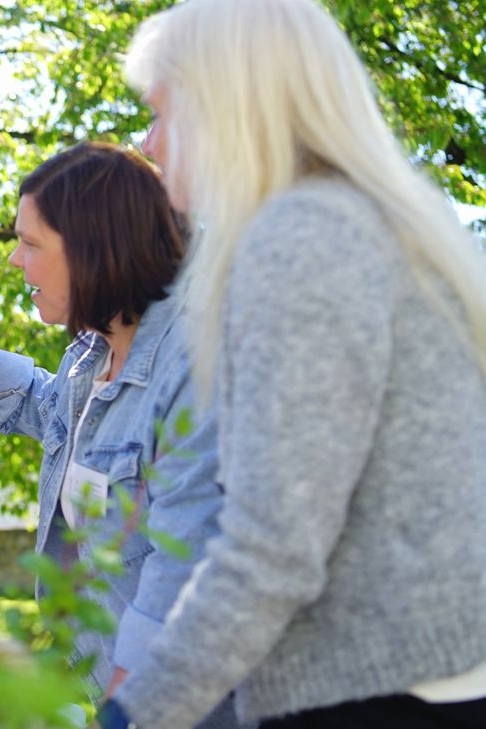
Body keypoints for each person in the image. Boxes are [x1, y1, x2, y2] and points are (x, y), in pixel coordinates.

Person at [96, 1, 486, 728]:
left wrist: (131, 714)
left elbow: (271, 548)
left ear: (227, 104)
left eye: (161, 112)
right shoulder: (371, 222)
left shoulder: (300, 239)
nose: (147, 143)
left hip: (366, 692)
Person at [0, 143, 235, 727]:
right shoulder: (93, 352)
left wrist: (124, 708)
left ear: (93, 250)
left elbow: (185, 570)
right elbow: (46, 406)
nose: (16, 261)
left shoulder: (194, 362)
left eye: (31, 243)